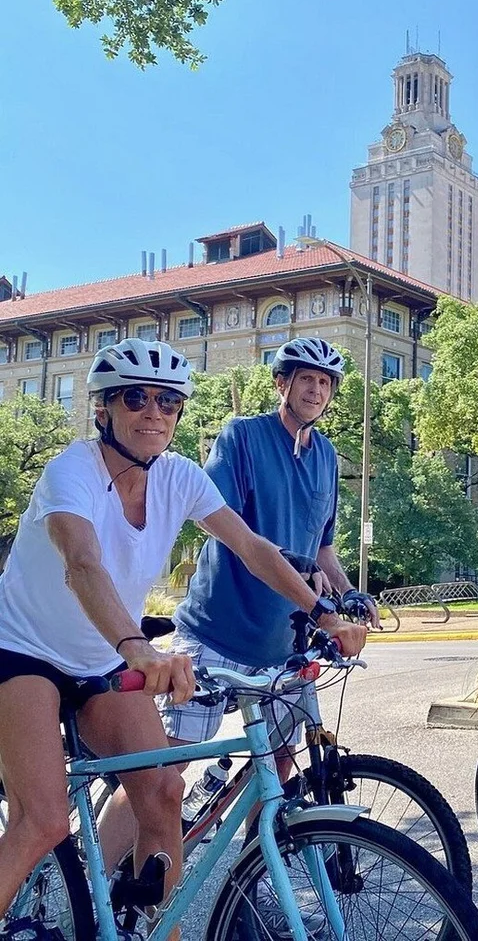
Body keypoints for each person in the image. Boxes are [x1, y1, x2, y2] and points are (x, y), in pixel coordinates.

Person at [0, 338, 366, 925]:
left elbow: (251, 548)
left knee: (165, 792)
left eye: (168, 403)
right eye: (136, 398)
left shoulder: (179, 477)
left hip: (99, 661)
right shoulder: (72, 470)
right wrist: (140, 649)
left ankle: (154, 929)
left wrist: (326, 613)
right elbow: (82, 564)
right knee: (41, 819)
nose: (153, 412)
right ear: (105, 409)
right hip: (23, 651)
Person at [99, 336, 377, 865]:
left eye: (325, 382)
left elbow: (322, 547)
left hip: (284, 640)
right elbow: (228, 528)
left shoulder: (327, 457)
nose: (316, 390)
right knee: (163, 769)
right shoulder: (242, 437)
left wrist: (349, 596)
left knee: (277, 761)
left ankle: (258, 873)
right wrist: (297, 570)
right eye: (306, 379)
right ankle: (91, 892)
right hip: (215, 632)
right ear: (282, 384)